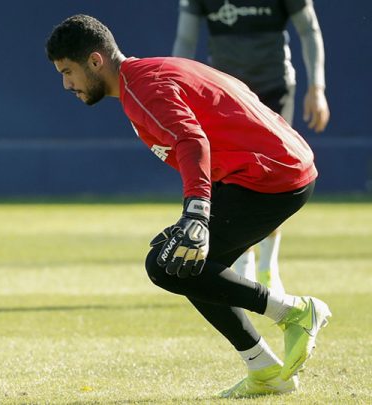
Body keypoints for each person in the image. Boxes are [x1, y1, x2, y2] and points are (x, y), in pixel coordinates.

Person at [45, 14, 330, 398]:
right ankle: (264, 370)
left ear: (96, 61)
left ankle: (295, 312)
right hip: (274, 169)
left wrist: (196, 211)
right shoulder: (145, 77)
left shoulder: (142, 87)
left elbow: (192, 141)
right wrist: (196, 215)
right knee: (181, 261)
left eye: (68, 71)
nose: (66, 84)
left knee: (169, 264)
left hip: (272, 177)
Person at [172, 0, 330, 293]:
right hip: (223, 98)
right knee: (232, 179)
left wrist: (317, 88)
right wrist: (175, 93)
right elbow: (185, 39)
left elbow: (309, 30)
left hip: (274, 88)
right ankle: (243, 266)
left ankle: (268, 266)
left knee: (274, 176)